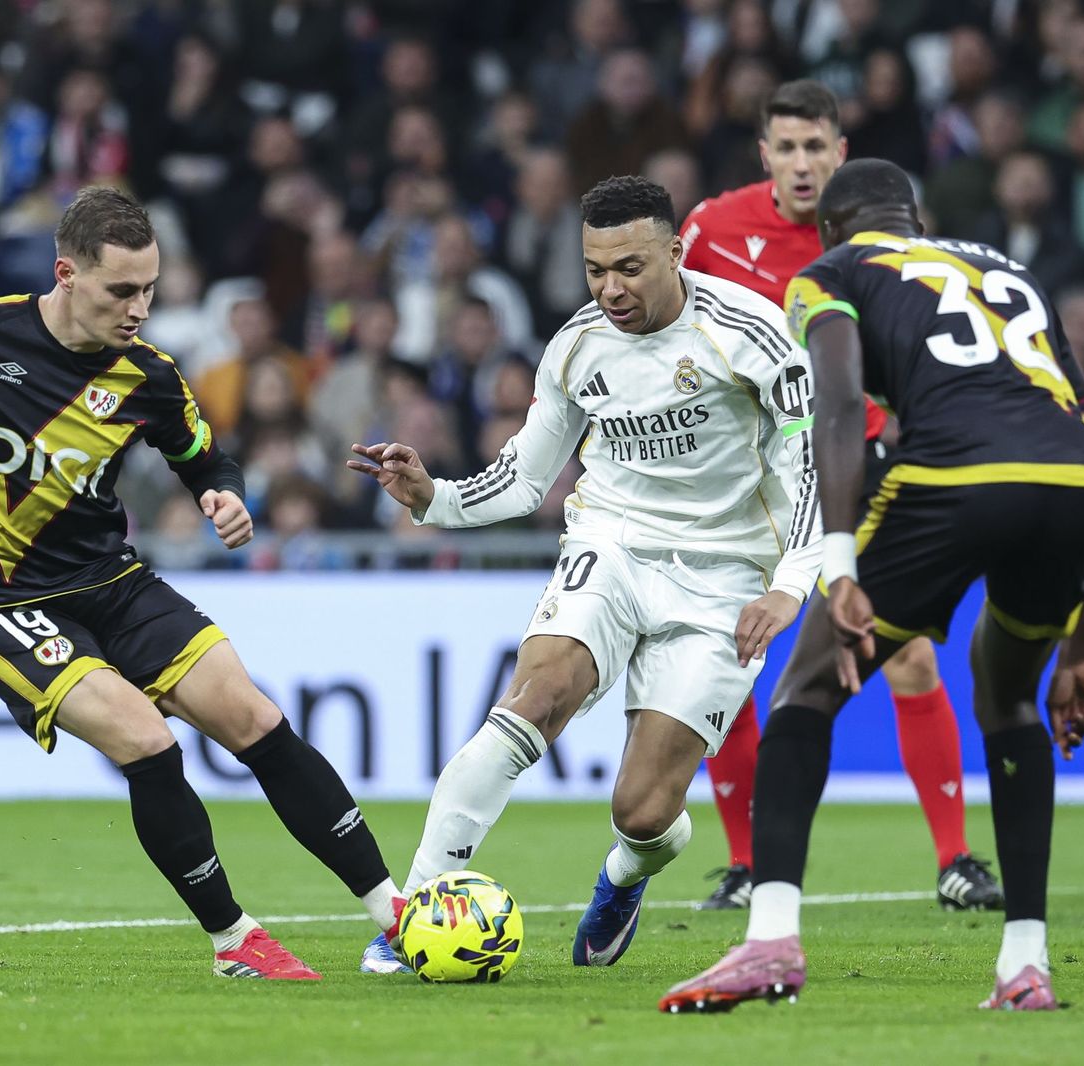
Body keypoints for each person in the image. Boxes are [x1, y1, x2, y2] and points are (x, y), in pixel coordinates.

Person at [0, 186, 406, 981]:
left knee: (255, 717)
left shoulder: (149, 376)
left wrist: (219, 494)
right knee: (147, 740)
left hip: (110, 581)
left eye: (150, 290)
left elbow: (204, 456)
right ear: (66, 273)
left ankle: (394, 912)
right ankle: (234, 941)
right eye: (122, 290)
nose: (140, 309)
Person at [660, 160, 1084, 1014]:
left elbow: (837, 405)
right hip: (1071, 487)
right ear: (914, 216)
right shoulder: (1007, 270)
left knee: (805, 685)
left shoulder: (830, 273)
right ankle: (1025, 965)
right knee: (1009, 699)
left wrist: (838, 564)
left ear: (833, 227)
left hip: (950, 480)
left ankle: (769, 942)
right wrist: (1080, 649)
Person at [350, 176, 820, 972]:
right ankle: (411, 917)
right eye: (596, 269)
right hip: (612, 546)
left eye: (630, 268)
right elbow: (526, 477)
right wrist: (437, 497)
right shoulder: (576, 346)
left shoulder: (752, 333)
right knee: (533, 700)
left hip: (725, 576)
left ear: (676, 252)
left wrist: (790, 585)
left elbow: (813, 467)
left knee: (641, 811)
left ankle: (627, 872)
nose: (611, 288)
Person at [679, 80, 999, 913]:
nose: (801, 164)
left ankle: (957, 859)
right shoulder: (713, 228)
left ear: (840, 153)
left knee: (910, 655)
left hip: (860, 472)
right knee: (730, 666)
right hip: (751, 481)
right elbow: (662, 323)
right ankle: (747, 865)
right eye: (785, 148)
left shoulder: (878, 240)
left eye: (815, 147)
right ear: (764, 155)